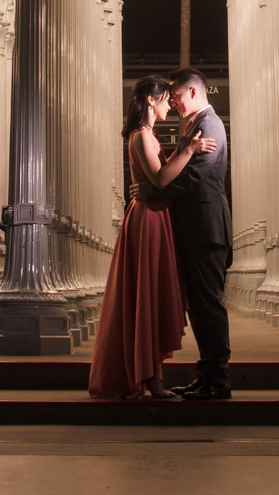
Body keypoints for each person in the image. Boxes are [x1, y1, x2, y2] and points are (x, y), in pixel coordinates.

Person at [87, 75, 216, 400]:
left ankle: (152, 377)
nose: (169, 105)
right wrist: (188, 150)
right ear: (150, 101)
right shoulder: (141, 135)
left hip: (154, 218)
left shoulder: (147, 135)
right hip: (148, 220)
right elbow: (159, 179)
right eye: (165, 99)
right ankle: (151, 381)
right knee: (148, 295)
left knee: (151, 296)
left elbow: (160, 173)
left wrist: (186, 151)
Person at [152, 67, 232, 400]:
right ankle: (208, 376)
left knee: (208, 305)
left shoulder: (209, 124)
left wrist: (154, 194)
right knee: (199, 306)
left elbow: (196, 177)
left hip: (206, 228)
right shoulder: (196, 126)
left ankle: (217, 380)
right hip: (197, 228)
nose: (173, 101)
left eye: (177, 95)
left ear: (195, 92)